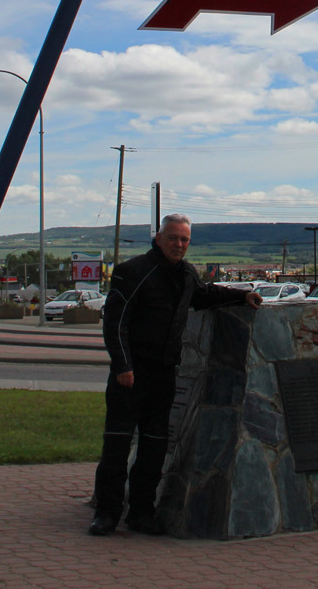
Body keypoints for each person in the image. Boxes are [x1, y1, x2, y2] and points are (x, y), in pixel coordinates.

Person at [90, 213, 261, 536]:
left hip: (164, 374)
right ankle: (107, 513)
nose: (179, 245)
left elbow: (205, 295)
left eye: (184, 240)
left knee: (154, 448)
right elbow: (116, 323)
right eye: (173, 238)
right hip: (131, 375)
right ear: (159, 238)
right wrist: (123, 366)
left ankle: (141, 513)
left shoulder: (186, 275)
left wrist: (242, 295)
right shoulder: (133, 271)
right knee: (117, 444)